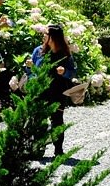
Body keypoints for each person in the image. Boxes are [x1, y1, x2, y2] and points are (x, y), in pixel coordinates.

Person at [25, 24, 76, 156]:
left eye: (46, 34)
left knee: (57, 120)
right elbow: (31, 73)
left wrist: (64, 72)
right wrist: (29, 67)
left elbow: (72, 72)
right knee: (38, 120)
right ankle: (37, 148)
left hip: (58, 91)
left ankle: (58, 149)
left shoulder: (65, 54)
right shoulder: (38, 51)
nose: (44, 36)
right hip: (40, 90)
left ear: (54, 37)